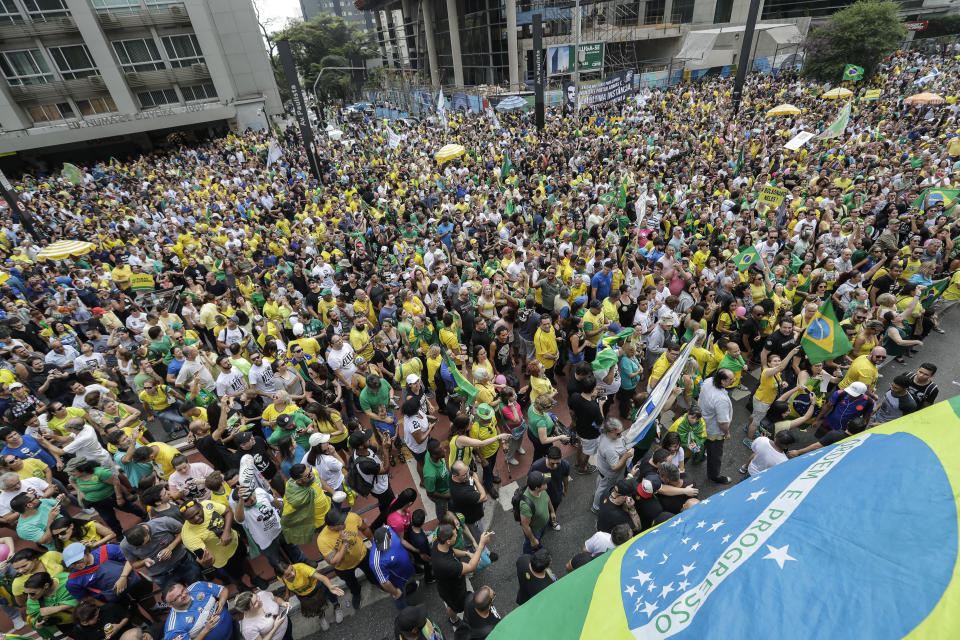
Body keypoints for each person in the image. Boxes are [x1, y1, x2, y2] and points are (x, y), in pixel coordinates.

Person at [431, 522, 494, 627]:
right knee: (455, 607)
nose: (457, 535)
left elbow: (451, 550)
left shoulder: (438, 543)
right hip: (452, 590)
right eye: (455, 535)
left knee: (451, 605)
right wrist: (481, 545)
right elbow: (470, 567)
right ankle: (454, 620)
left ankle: (453, 618)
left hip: (446, 584)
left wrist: (467, 553)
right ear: (448, 541)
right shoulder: (446, 565)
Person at [315, 509, 379, 610]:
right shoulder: (322, 540)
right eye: (339, 523)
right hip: (344, 568)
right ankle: (356, 593)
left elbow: (365, 528)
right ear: (330, 527)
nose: (343, 523)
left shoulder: (351, 517)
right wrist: (344, 543)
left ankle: (376, 582)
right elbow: (334, 562)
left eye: (343, 520)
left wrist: (373, 542)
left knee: (372, 572)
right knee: (351, 582)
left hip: (363, 555)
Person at [119, 518, 203, 590]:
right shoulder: (124, 545)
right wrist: (143, 562)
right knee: (178, 600)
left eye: (144, 543)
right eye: (137, 547)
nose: (141, 547)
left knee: (201, 588)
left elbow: (183, 531)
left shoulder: (163, 522)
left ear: (147, 531)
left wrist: (170, 547)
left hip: (184, 563)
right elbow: (133, 564)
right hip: (162, 576)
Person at [277, 560, 345, 631]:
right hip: (303, 596)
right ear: (281, 576)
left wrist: (330, 586)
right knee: (315, 607)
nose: (293, 574)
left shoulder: (302, 568)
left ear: (291, 565)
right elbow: (286, 583)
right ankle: (321, 615)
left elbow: (323, 578)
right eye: (288, 575)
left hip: (317, 587)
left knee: (331, 595)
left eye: (292, 569)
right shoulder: (281, 577)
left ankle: (337, 607)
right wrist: (287, 593)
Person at [348, 429, 395, 531]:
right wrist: (386, 449)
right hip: (381, 489)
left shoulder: (364, 449)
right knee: (391, 506)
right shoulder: (365, 465)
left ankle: (385, 522)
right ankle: (374, 528)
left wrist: (384, 442)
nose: (370, 439)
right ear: (360, 446)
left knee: (384, 505)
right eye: (367, 439)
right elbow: (386, 469)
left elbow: (378, 450)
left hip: (380, 483)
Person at [162, 581, 234, 640]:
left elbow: (223, 590)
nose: (183, 595)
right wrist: (206, 629)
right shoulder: (173, 628)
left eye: (183, 590)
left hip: (233, 626)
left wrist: (221, 603)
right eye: (177, 597)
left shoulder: (198, 586)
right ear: (170, 605)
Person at [699, 369, 735, 484]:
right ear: (723, 381)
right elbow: (722, 423)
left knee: (701, 443)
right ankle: (714, 475)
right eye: (731, 379)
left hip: (702, 422)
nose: (734, 380)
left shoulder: (709, 381)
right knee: (715, 455)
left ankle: (698, 456)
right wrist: (727, 432)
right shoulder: (721, 400)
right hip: (714, 430)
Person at [369, 525, 417, 609]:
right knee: (400, 597)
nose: (384, 549)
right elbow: (384, 582)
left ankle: (408, 588)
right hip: (398, 581)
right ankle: (405, 610)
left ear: (390, 535)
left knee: (407, 586)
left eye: (386, 545)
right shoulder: (375, 562)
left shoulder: (387, 528)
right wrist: (395, 593)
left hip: (406, 569)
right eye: (381, 546)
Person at [592, 418, 633, 513]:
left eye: (621, 432)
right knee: (603, 489)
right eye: (618, 434)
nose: (621, 435)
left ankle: (595, 497)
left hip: (603, 470)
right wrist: (626, 456)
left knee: (600, 483)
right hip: (609, 474)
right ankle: (596, 507)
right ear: (609, 432)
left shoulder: (606, 433)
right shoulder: (609, 449)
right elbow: (614, 467)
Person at [449, 461, 488, 543]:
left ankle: (469, 544)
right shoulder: (462, 493)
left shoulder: (454, 475)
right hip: (472, 517)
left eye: (467, 471)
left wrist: (470, 474)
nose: (467, 475)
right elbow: (484, 497)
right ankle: (482, 549)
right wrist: (476, 482)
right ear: (455, 475)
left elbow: (472, 473)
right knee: (478, 534)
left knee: (468, 533)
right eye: (464, 475)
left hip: (464, 511)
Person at [518, 470, 554, 554]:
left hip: (543, 524)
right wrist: (533, 539)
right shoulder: (526, 505)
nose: (547, 483)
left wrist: (552, 511)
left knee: (539, 539)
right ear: (537, 488)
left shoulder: (542, 491)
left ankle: (538, 545)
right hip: (535, 530)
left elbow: (547, 498)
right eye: (544, 483)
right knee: (529, 544)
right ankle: (528, 555)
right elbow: (525, 526)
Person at [528, 446, 570, 514]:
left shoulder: (565, 464)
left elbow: (565, 479)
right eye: (552, 463)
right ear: (547, 457)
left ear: (561, 456)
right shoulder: (536, 466)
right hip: (541, 496)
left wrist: (565, 490)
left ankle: (552, 520)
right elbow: (529, 480)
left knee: (553, 510)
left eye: (558, 463)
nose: (555, 466)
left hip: (556, 495)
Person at [423, 438, 451, 518]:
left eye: (442, 447)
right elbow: (430, 493)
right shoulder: (430, 475)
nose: (445, 450)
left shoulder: (430, 453)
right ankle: (442, 521)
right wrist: (446, 496)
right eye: (441, 450)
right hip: (441, 496)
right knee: (442, 512)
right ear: (434, 455)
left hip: (446, 487)